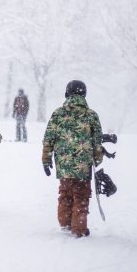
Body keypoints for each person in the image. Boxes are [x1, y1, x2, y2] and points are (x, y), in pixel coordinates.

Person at [42, 80, 103, 238]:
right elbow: (97, 141)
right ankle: (79, 229)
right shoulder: (91, 115)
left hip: (64, 164)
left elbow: (49, 138)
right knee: (81, 196)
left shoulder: (58, 113)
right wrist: (97, 158)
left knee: (65, 192)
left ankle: (65, 223)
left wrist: (46, 159)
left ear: (67, 93)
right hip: (83, 166)